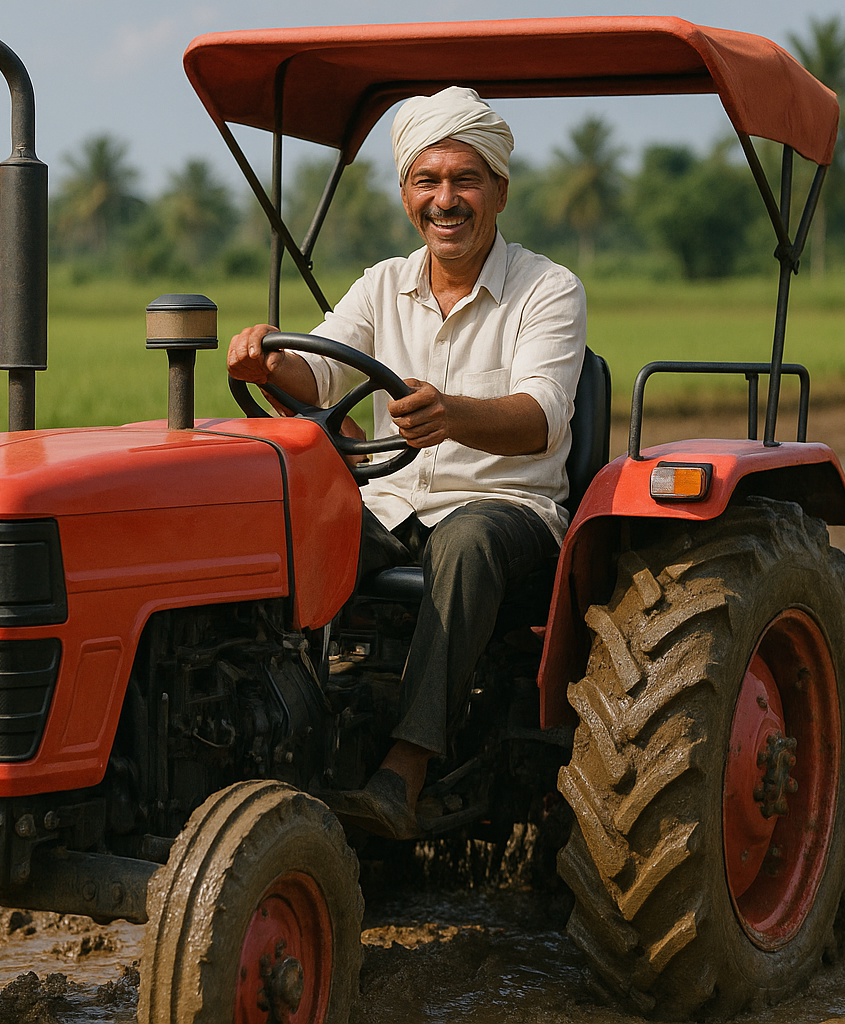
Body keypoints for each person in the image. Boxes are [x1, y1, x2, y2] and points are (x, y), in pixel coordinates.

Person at [227, 86, 586, 839]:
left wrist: (452, 412)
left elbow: (542, 418)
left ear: (500, 191)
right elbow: (318, 375)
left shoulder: (547, 290)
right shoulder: (383, 285)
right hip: (394, 509)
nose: (445, 200)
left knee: (466, 540)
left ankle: (406, 768)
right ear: (405, 194)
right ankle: (280, 737)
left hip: (512, 521)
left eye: (465, 180)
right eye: (428, 181)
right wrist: (268, 359)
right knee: (288, 532)